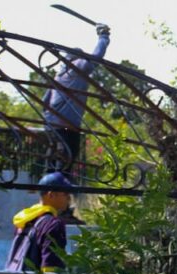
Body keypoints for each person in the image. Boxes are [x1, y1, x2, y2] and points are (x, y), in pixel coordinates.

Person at [42, 23, 111, 172]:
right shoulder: (77, 66)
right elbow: (95, 57)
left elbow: (44, 101)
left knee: (55, 159)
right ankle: (57, 185)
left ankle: (50, 184)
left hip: (52, 124)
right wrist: (103, 36)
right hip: (67, 126)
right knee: (66, 159)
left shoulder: (58, 76)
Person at [6, 171, 75, 273]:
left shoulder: (26, 220)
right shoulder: (53, 224)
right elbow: (51, 268)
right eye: (66, 194)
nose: (69, 198)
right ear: (51, 195)